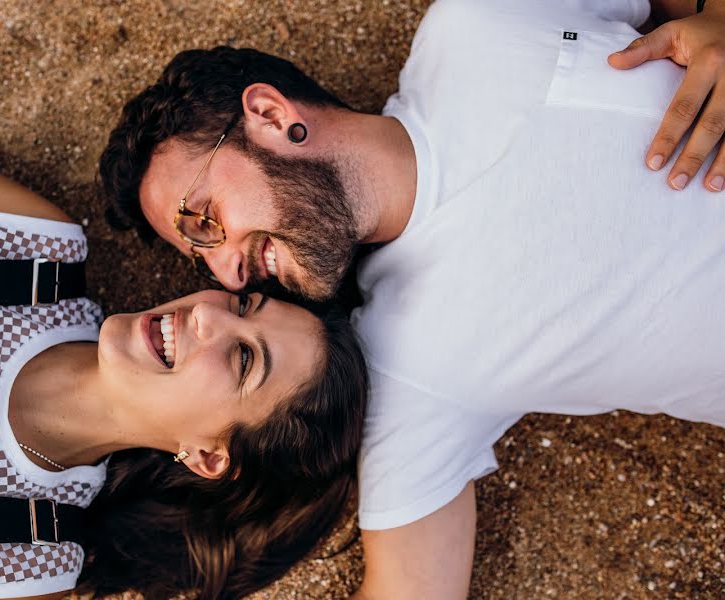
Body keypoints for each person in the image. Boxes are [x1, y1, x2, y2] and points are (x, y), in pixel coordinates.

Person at [98, 0, 725, 597]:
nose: (227, 275)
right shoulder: (408, 369)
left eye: (203, 221)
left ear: (267, 115)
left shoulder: (474, 26)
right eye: (200, 260)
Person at [0, 108, 368, 600]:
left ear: (207, 455)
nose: (209, 315)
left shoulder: (26, 556)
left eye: (245, 360)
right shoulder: (33, 256)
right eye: (243, 303)